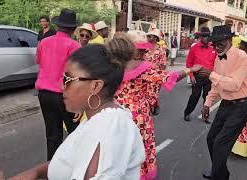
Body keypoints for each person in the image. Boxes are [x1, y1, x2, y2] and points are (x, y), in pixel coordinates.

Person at [10, 40, 146, 180]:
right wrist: (36, 172)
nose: (61, 86)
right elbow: (71, 161)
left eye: (68, 79)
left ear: (95, 86)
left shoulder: (110, 126)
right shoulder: (99, 117)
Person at [114, 31, 201, 180]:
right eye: (141, 49)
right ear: (129, 49)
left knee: (119, 147)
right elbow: (168, 77)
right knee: (138, 147)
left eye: (145, 49)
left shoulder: (113, 63)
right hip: (138, 116)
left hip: (115, 113)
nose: (145, 52)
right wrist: (190, 70)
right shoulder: (143, 67)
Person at [200, 25, 247, 180]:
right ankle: (220, 170)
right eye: (214, 43)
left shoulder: (241, 56)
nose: (216, 46)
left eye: (220, 42)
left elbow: (234, 84)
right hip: (227, 103)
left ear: (229, 40)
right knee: (211, 139)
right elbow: (217, 85)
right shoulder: (218, 57)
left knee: (221, 143)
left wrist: (211, 75)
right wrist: (207, 103)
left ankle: (218, 175)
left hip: (242, 105)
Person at [35, 9, 80, 161]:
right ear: (73, 29)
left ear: (58, 26)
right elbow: (76, 74)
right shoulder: (74, 46)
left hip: (44, 95)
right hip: (64, 96)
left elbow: (40, 62)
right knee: (76, 134)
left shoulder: (44, 42)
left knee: (52, 135)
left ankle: (52, 171)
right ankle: (75, 168)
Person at [184, 27, 217, 122]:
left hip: (209, 77)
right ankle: (187, 113)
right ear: (201, 37)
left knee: (207, 98)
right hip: (197, 77)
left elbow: (216, 63)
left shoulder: (213, 48)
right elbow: (189, 63)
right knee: (195, 96)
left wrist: (214, 76)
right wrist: (191, 76)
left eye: (208, 36)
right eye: (205, 36)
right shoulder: (194, 48)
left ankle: (205, 116)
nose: (207, 38)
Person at [145, 28, 167, 115]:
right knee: (146, 93)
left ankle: (155, 105)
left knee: (154, 93)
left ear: (155, 38)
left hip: (156, 75)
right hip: (144, 74)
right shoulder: (144, 48)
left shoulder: (161, 50)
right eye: (148, 36)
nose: (148, 38)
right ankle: (148, 108)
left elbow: (163, 65)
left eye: (150, 36)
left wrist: (161, 77)